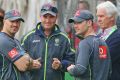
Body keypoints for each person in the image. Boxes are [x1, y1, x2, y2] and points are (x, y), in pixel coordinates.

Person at [21, 3, 75, 80]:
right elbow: (18, 58)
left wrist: (61, 65)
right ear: (40, 17)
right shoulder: (28, 37)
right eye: (45, 16)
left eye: (51, 17)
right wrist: (30, 63)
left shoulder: (64, 39)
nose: (47, 20)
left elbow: (72, 60)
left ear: (56, 17)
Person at [67, 10, 111, 80]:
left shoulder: (85, 43)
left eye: (79, 22)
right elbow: (108, 70)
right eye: (74, 23)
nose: (75, 26)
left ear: (89, 23)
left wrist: (71, 69)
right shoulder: (103, 42)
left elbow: (80, 69)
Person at [0, 10, 41, 80]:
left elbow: (25, 59)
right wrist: (31, 62)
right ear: (4, 21)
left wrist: (26, 59)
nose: (15, 24)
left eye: (18, 21)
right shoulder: (3, 40)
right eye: (12, 21)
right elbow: (23, 66)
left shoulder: (16, 41)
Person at [96, 1, 120, 80]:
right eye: (98, 16)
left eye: (101, 16)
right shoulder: (98, 36)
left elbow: (102, 59)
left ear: (112, 17)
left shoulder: (117, 37)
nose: (98, 19)